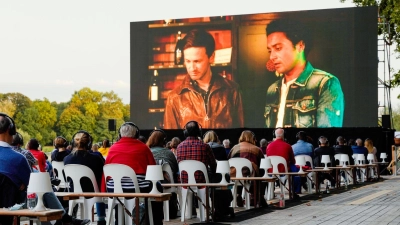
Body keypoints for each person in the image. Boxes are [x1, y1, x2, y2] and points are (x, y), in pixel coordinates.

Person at [0, 113, 90, 225]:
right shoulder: (17, 158)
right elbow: (32, 184)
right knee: (42, 189)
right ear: (11, 129)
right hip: (10, 204)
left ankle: (63, 219)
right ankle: (63, 219)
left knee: (41, 187)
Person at [264, 19, 344, 128]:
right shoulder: (272, 89)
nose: (272, 57)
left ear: (300, 46)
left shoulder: (325, 83)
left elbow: (326, 138)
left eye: (278, 48)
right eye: (270, 51)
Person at [163, 28, 244, 129]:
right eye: (188, 61)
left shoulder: (232, 91)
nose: (192, 68)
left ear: (212, 57)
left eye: (197, 61)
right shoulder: (174, 98)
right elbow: (172, 142)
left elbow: (243, 136)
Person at [101, 122, 163, 225]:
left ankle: (118, 220)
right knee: (158, 187)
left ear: (120, 135)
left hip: (114, 189)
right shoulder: (143, 148)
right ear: (136, 134)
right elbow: (153, 169)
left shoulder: (112, 148)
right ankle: (155, 221)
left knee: (118, 188)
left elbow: (106, 171)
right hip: (138, 189)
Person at [176, 121, 219, 218]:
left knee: (188, 179)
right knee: (215, 178)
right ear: (199, 132)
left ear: (185, 132)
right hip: (201, 182)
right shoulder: (205, 146)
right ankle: (210, 212)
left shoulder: (179, 147)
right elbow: (213, 165)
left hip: (184, 183)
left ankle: (189, 213)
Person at [64, 130, 106, 225]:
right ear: (89, 144)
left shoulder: (66, 159)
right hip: (93, 191)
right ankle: (101, 219)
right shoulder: (96, 158)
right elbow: (102, 175)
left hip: (73, 191)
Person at [228, 130, 265, 206]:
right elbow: (263, 165)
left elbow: (228, 160)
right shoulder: (257, 149)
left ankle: (238, 194)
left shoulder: (234, 148)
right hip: (251, 176)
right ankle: (254, 196)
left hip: (234, 176)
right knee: (258, 173)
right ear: (252, 138)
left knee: (239, 173)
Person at [266, 128, 301, 196]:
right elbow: (293, 161)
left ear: (274, 135)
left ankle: (270, 193)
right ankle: (294, 192)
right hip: (284, 172)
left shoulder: (269, 146)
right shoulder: (288, 146)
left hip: (271, 172)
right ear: (284, 135)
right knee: (294, 169)